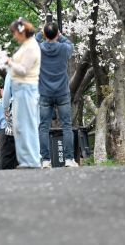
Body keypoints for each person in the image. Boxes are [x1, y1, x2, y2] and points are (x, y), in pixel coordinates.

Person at [36, 21, 77, 168]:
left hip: (45, 93)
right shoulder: (64, 49)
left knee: (43, 127)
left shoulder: (39, 49)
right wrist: (60, 36)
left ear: (45, 34)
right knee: (66, 126)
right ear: (57, 34)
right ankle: (69, 159)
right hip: (62, 92)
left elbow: (31, 44)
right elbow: (70, 44)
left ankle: (46, 160)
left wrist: (41, 33)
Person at [5, 17, 41, 168]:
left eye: (15, 33)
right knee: (20, 126)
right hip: (21, 88)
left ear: (22, 32)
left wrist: (9, 62)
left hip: (27, 88)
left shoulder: (31, 47)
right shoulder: (26, 45)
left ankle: (32, 160)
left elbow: (23, 70)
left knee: (27, 125)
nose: (14, 36)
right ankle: (26, 160)